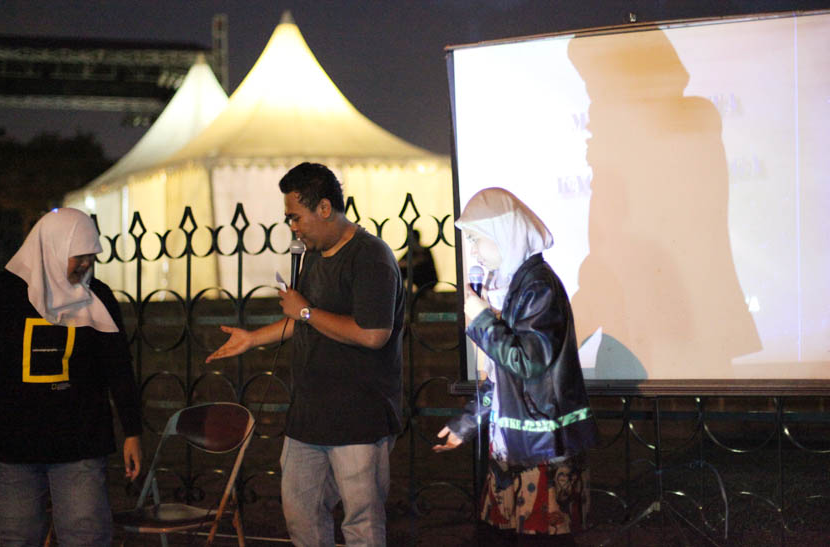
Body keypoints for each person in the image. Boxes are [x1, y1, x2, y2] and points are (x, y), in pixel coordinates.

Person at [206, 162, 405, 547]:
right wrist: (253, 339)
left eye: (296, 217)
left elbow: (372, 334)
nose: (293, 227)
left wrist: (307, 312)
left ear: (325, 208)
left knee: (361, 524)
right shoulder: (313, 255)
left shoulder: (371, 256)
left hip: (358, 421)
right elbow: (303, 320)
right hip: (307, 420)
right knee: (301, 516)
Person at [0, 207, 143, 546]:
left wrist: (133, 431)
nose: (86, 264)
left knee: (85, 536)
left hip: (81, 444)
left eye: (91, 256)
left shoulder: (97, 297)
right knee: (16, 537)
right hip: (14, 445)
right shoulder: (1, 294)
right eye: (79, 256)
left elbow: (118, 367)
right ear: (53, 248)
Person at [434, 188, 597, 544]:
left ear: (503, 234)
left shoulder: (539, 288)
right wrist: (468, 423)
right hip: (518, 446)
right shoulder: (519, 287)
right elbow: (503, 377)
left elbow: (526, 362)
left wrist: (482, 320)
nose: (474, 252)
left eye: (477, 239)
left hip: (542, 449)